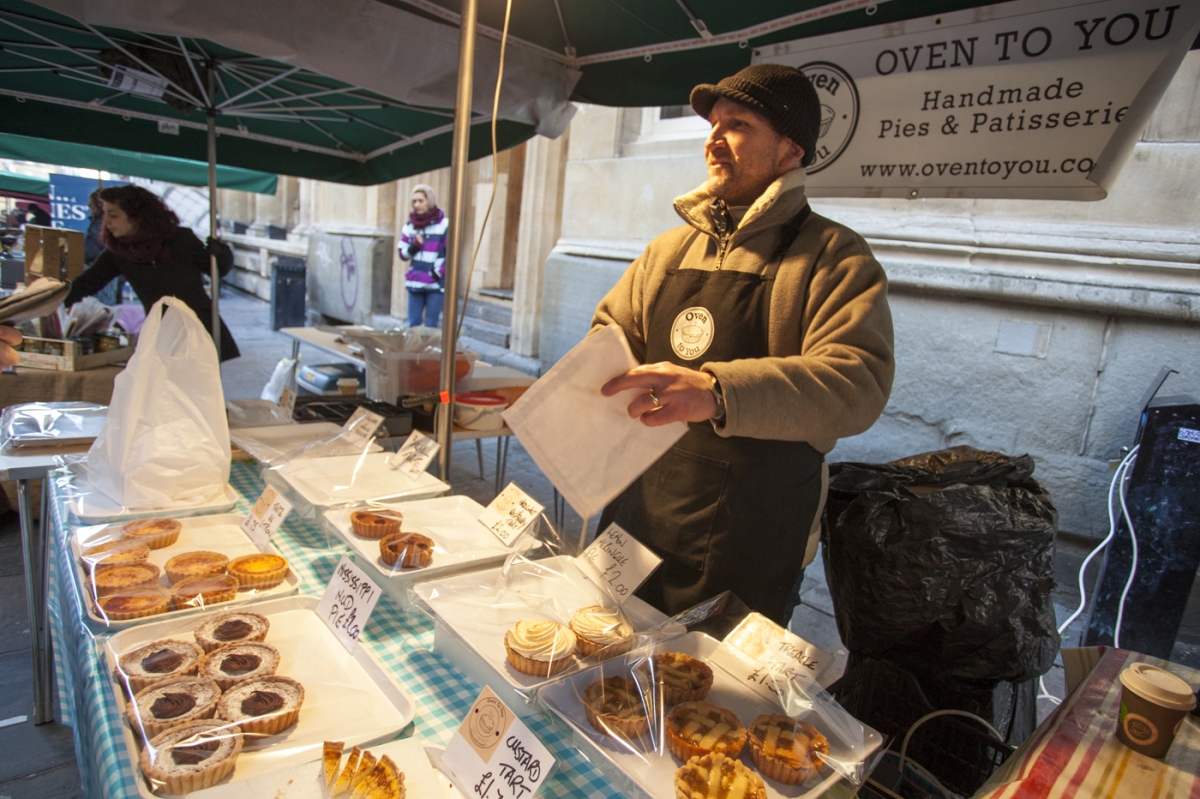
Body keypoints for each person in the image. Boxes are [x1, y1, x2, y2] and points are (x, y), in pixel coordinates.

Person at [592, 65, 895, 623]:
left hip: (750, 535)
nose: (713, 137)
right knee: (597, 671)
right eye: (712, 124)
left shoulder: (834, 256)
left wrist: (716, 390)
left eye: (738, 124)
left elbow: (859, 382)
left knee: (711, 702)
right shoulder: (667, 250)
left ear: (790, 149)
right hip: (639, 510)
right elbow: (608, 340)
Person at [64, 185, 239, 361]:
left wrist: (221, 253)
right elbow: (85, 284)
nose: (106, 222)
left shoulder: (180, 239)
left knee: (202, 386)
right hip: (163, 332)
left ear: (137, 216)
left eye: (113, 215)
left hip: (200, 327)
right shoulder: (117, 253)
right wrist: (50, 300)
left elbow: (216, 270)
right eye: (105, 214)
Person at [398, 184, 448, 328]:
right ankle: (415, 352)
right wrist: (414, 247)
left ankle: (429, 351)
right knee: (413, 325)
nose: (417, 204)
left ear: (429, 201)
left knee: (431, 326)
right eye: (414, 201)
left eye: (421, 200)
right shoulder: (410, 225)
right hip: (415, 282)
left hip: (434, 284)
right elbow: (402, 253)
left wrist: (436, 274)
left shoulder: (443, 224)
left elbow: (448, 255)